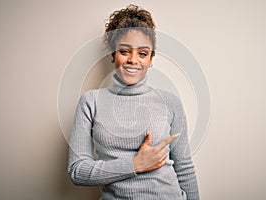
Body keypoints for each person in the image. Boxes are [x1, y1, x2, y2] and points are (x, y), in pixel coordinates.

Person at [68, 4, 199, 200]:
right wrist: (135, 164)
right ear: (113, 54)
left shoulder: (170, 102)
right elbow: (77, 171)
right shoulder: (91, 102)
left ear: (151, 59)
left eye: (143, 53)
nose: (133, 60)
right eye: (124, 51)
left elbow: (185, 168)